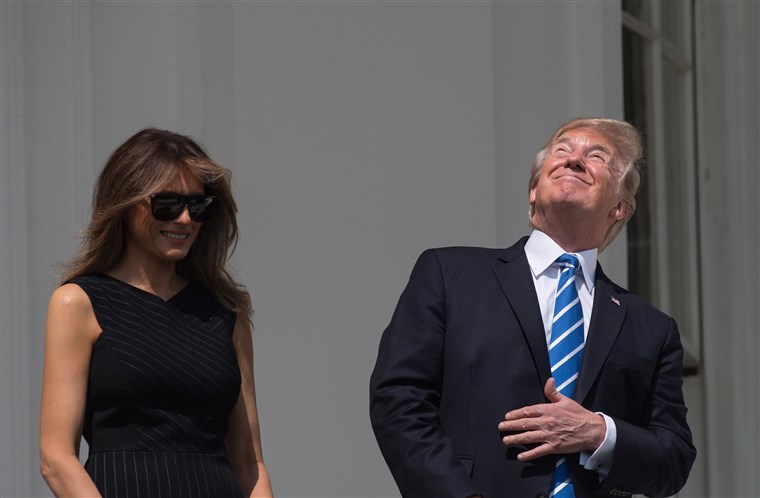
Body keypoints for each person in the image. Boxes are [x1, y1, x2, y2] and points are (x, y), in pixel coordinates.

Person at [369, 118, 695, 498]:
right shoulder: (450, 275)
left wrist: (597, 432)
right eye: (562, 150)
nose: (574, 160)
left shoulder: (651, 328)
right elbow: (399, 401)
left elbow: (672, 460)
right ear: (532, 192)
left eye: (596, 156)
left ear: (620, 207)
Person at [40, 128, 273, 497]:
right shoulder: (79, 303)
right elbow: (56, 458)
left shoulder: (226, 312)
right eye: (166, 204)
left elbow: (248, 462)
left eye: (198, 206)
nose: (184, 219)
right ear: (126, 202)